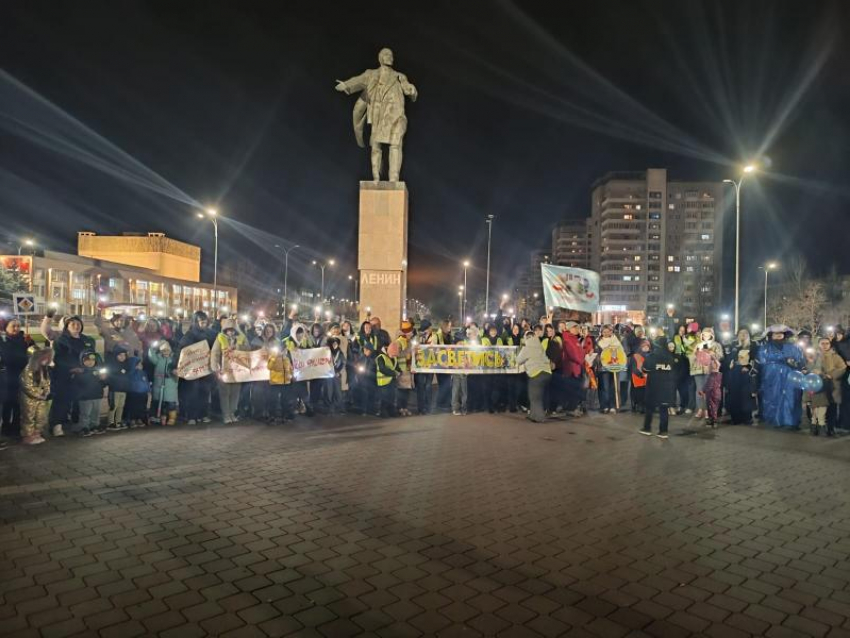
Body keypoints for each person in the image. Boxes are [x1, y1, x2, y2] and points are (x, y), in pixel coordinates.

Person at [50, 315, 96, 437]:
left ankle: (78, 425)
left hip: (83, 374)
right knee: (62, 401)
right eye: (72, 324)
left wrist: (88, 368)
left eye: (78, 323)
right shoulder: (61, 340)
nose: (76, 326)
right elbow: (59, 358)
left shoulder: (88, 340)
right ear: (67, 326)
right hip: (65, 375)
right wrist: (71, 368)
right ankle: (57, 425)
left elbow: (92, 356)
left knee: (79, 401)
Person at [757, 325, 805, 429]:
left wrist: (794, 363)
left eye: (780, 333)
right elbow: (762, 359)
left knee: (791, 397)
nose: (778, 335)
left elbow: (799, 360)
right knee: (773, 397)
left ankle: (792, 421)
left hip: (790, 376)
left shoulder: (793, 347)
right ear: (771, 335)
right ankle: (775, 420)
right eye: (775, 333)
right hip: (772, 376)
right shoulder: (765, 347)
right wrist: (782, 358)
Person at [178, 311, 216, 425]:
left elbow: (215, 348)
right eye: (201, 322)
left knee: (204, 392)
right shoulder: (189, 335)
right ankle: (191, 416)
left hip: (206, 368)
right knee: (192, 392)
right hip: (193, 368)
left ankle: (202, 414)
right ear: (196, 322)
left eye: (205, 322)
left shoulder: (211, 334)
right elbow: (182, 350)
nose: (203, 324)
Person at [211, 318, 250, 424]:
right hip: (225, 370)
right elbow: (215, 353)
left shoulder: (242, 338)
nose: (230, 332)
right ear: (224, 330)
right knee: (224, 393)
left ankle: (232, 413)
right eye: (228, 330)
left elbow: (247, 350)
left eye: (232, 330)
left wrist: (237, 346)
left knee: (235, 393)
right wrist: (215, 368)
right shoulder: (220, 338)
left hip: (237, 370)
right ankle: (226, 414)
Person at [809, 336, 847, 436]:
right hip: (818, 386)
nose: (825, 345)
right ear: (819, 344)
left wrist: (832, 375)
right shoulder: (815, 355)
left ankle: (831, 428)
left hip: (832, 386)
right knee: (817, 407)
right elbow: (809, 366)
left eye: (827, 343)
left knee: (832, 408)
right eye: (823, 343)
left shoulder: (835, 356)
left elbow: (843, 368)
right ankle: (816, 427)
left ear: (830, 345)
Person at [640, 338, 676, 439]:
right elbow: (674, 370)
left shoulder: (651, 356)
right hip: (667, 386)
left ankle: (647, 428)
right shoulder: (670, 357)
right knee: (664, 408)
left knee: (649, 408)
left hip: (653, 385)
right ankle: (663, 431)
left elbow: (644, 369)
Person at [0, 318, 30, 436]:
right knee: (8, 401)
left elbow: (34, 354)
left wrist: (30, 344)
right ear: (6, 327)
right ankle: (6, 426)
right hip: (7, 376)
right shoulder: (2, 340)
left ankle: (17, 425)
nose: (17, 328)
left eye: (18, 326)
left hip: (22, 374)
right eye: (13, 326)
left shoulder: (25, 340)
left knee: (20, 402)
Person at [19, 345, 52, 445]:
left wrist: (46, 391)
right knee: (29, 417)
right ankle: (28, 436)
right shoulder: (28, 370)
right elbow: (27, 385)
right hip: (30, 399)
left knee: (41, 416)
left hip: (41, 398)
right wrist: (38, 394)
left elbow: (47, 382)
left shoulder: (44, 369)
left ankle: (37, 433)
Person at [516, 325, 551, 423]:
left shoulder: (527, 348)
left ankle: (539, 417)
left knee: (535, 397)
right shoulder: (539, 346)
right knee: (536, 395)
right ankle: (533, 415)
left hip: (536, 374)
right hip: (547, 372)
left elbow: (518, 360)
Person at [689, 327, 724, 419]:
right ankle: (700, 408)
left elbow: (720, 356)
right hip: (698, 369)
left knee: (708, 390)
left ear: (712, 335)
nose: (706, 336)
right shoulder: (698, 344)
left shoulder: (716, 345)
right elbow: (692, 357)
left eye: (708, 334)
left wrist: (711, 353)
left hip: (710, 369)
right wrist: (696, 353)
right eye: (704, 334)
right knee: (699, 390)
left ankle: (707, 410)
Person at [75, 351, 107, 436]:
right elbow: (78, 383)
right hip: (85, 397)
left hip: (97, 395)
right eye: (87, 360)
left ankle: (94, 425)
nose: (90, 362)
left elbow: (103, 384)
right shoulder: (80, 371)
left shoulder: (98, 371)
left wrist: (103, 379)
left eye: (92, 360)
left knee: (95, 412)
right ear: (83, 361)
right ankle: (84, 427)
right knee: (85, 413)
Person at [148, 341, 179, 426]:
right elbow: (151, 356)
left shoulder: (173, 359)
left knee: (170, 403)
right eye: (163, 350)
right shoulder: (158, 359)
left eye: (167, 350)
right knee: (159, 402)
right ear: (161, 351)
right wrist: (152, 347)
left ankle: (172, 418)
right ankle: (159, 417)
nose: (166, 352)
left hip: (171, 384)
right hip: (159, 384)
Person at [726, 349, 757, 425]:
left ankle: (747, 419)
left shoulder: (750, 368)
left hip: (746, 391)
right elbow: (730, 378)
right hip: (736, 390)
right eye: (739, 357)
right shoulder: (735, 367)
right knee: (736, 404)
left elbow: (753, 379)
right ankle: (736, 419)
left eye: (742, 357)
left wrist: (753, 390)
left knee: (746, 405)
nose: (740, 358)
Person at [560, 321, 585, 416]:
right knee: (573, 389)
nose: (577, 329)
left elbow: (580, 351)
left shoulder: (574, 339)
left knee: (575, 389)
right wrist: (580, 360)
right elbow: (572, 354)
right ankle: (571, 409)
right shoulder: (567, 339)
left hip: (577, 368)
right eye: (575, 327)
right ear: (570, 328)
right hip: (571, 369)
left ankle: (571, 408)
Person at [104, 345, 132, 431]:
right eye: (120, 355)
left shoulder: (126, 365)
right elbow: (110, 377)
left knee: (121, 406)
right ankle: (111, 422)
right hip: (114, 389)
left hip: (123, 389)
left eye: (124, 355)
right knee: (113, 406)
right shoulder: (112, 366)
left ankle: (118, 421)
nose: (122, 357)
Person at [595, 325, 621, 413]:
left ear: (611, 332)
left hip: (613, 367)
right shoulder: (598, 342)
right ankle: (604, 405)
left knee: (613, 387)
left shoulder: (615, 340)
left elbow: (619, 352)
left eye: (608, 331)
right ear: (601, 332)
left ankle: (612, 405)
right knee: (604, 387)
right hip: (603, 368)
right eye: (604, 332)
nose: (606, 333)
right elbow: (597, 354)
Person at [266, 343, 294, 423]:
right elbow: (269, 367)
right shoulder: (273, 356)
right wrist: (275, 357)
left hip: (286, 382)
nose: (286, 350)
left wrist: (292, 375)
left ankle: (284, 416)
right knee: (273, 400)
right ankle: (273, 416)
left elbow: (290, 368)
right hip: (276, 382)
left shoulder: (287, 358)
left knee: (285, 400)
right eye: (284, 349)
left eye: (286, 349)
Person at [395, 320, 415, 416]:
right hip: (402, 370)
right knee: (401, 391)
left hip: (408, 369)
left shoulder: (409, 341)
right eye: (410, 331)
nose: (412, 333)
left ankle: (405, 407)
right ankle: (400, 408)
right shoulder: (399, 341)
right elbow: (397, 354)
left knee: (407, 391)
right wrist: (407, 351)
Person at [414, 320, 434, 415]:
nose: (431, 329)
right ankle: (421, 408)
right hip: (420, 366)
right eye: (429, 327)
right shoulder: (417, 337)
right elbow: (414, 349)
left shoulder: (433, 337)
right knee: (421, 387)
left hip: (430, 365)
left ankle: (428, 407)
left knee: (428, 387)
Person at [376, 341, 399, 417]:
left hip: (392, 381)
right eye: (392, 355)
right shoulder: (381, 357)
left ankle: (391, 411)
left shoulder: (394, 357)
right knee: (384, 398)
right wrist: (394, 373)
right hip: (383, 382)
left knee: (392, 397)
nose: (393, 356)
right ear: (388, 351)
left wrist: (399, 372)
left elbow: (396, 367)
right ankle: (383, 412)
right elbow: (382, 369)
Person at [628, 339, 650, 413]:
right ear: (641, 347)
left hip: (646, 378)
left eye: (647, 347)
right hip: (637, 377)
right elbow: (634, 368)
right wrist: (642, 375)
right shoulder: (635, 356)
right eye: (644, 346)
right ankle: (636, 405)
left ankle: (643, 406)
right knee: (637, 393)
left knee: (644, 393)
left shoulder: (650, 356)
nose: (646, 348)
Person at [327, 337, 346, 414]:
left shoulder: (340, 353)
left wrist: (338, 371)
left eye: (336, 343)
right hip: (329, 375)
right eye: (333, 343)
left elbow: (343, 363)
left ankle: (340, 408)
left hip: (337, 375)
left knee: (338, 392)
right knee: (329, 392)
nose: (335, 345)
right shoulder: (327, 352)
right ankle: (330, 409)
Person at [701, 358, 723, 428]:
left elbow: (709, 385)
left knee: (712, 407)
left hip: (712, 393)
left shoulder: (714, 375)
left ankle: (714, 420)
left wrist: (704, 390)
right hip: (715, 393)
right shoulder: (716, 375)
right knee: (712, 407)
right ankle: (712, 420)